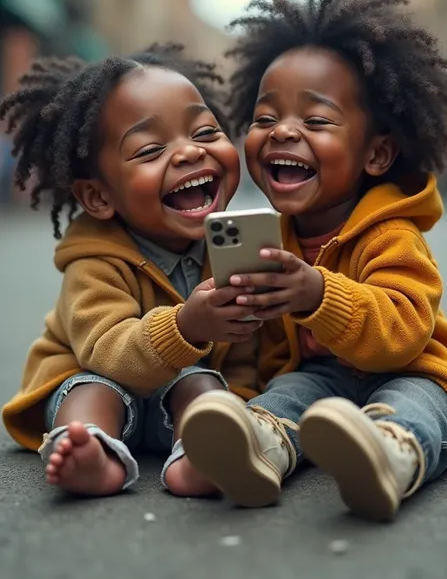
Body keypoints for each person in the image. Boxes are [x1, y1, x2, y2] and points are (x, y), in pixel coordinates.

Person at [180, 0, 447, 521]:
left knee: (420, 405)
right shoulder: (268, 238)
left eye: (315, 120)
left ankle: (390, 453)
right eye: (265, 118)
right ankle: (257, 446)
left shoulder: (390, 232)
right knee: (288, 392)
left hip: (413, 372)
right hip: (326, 381)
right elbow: (262, 352)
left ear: (377, 154)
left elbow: (402, 334)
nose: (283, 132)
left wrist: (317, 292)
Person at [1, 42, 269, 498]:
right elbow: (105, 349)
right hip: (104, 380)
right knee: (91, 390)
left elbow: (253, 356)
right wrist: (186, 325)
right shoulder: (95, 258)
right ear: (99, 197)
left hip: (181, 394)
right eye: (150, 151)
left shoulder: (236, 242)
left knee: (203, 386)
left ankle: (200, 454)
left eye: (205, 133)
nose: (187, 153)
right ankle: (89, 451)